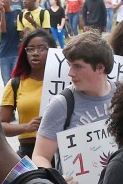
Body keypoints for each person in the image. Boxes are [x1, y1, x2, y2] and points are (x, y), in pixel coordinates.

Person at [32, 32, 114, 171]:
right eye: (70, 65)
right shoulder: (61, 104)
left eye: (77, 66)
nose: (70, 72)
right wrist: (57, 180)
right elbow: (40, 156)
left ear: (100, 68)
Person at [0, 29, 55, 159]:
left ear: (52, 51)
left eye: (41, 48)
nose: (35, 53)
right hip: (29, 152)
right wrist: (26, 127)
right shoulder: (15, 84)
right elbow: (0, 126)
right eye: (30, 49)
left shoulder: (65, 82)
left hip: (61, 153)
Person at [0, 0, 22, 84]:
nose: (2, 0)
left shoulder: (18, 13)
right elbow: (3, 30)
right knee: (7, 82)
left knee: (16, 81)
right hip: (4, 53)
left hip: (16, 53)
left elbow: (21, 32)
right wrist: (2, 12)